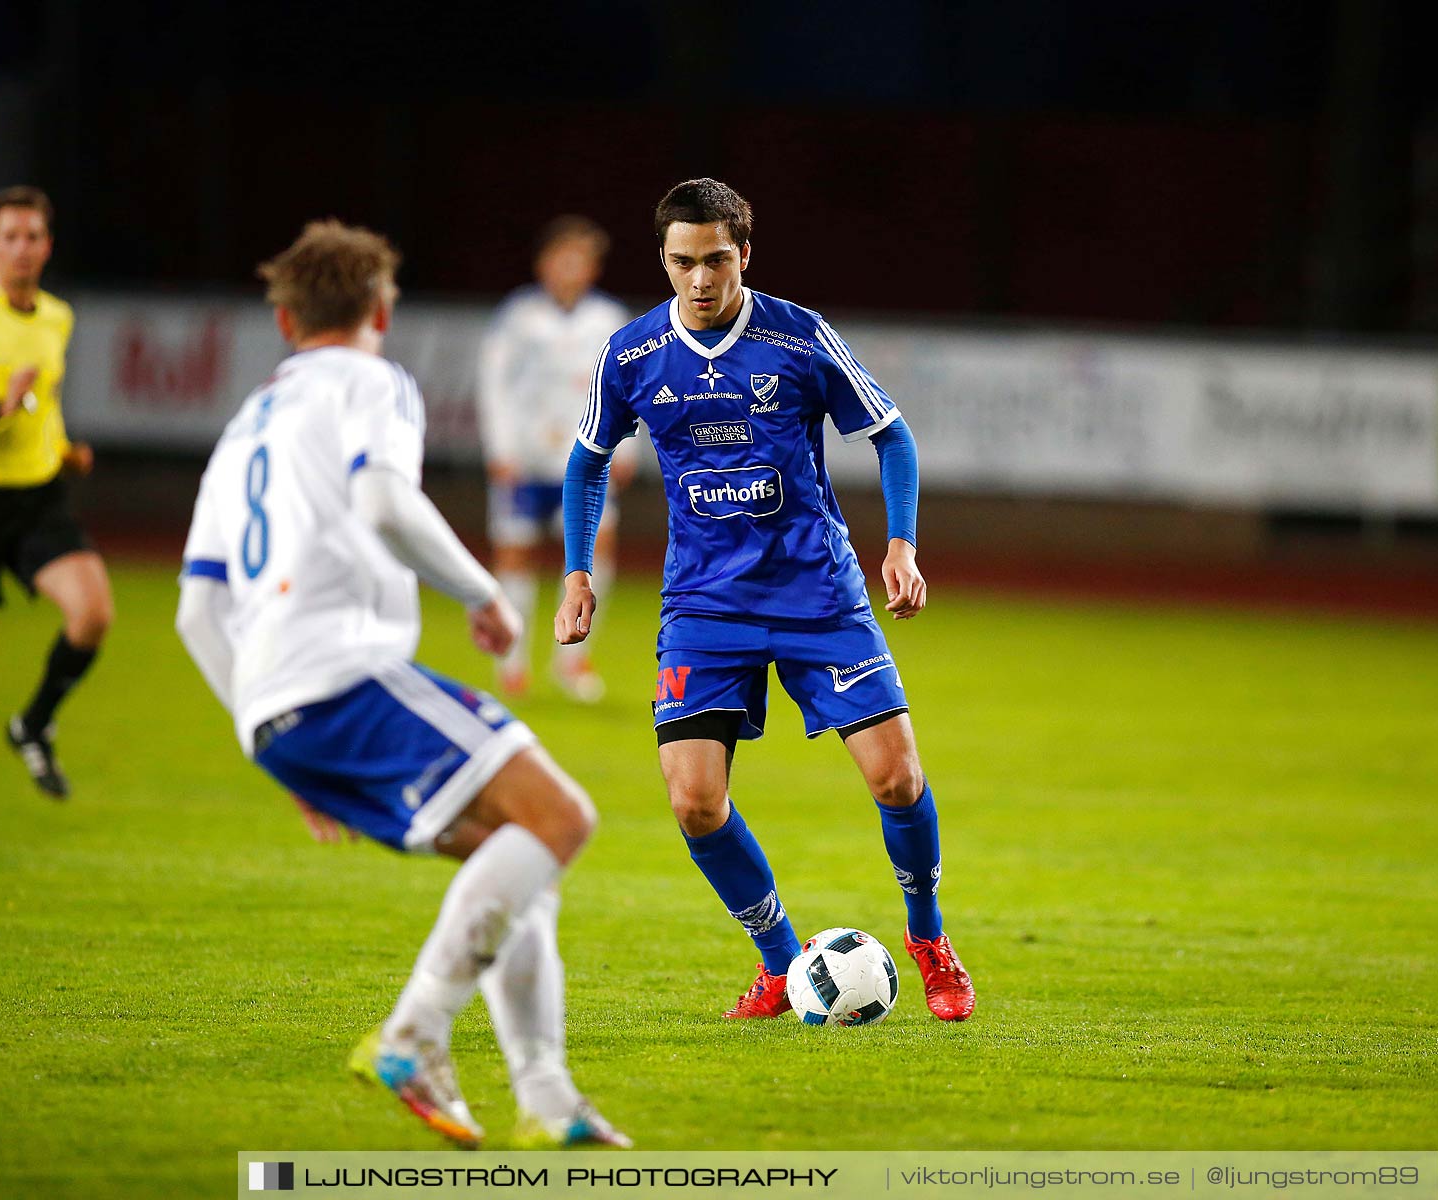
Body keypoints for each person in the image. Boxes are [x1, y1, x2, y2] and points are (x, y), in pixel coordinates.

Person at [174, 219, 627, 1149]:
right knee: (561, 817)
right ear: (382, 307)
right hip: (342, 671)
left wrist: (272, 745)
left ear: (284, 314)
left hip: (273, 706)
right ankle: (414, 1033)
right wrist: (483, 592)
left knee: (512, 856)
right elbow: (385, 501)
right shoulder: (371, 381)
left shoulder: (244, 423)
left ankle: (546, 1102)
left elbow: (195, 611)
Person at [557, 179, 975, 1022]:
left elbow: (891, 435)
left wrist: (901, 544)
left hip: (817, 592)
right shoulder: (632, 355)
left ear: (744, 253)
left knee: (897, 780)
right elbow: (586, 460)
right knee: (693, 800)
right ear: (664, 261)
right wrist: (576, 573)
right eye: (683, 262)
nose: (700, 280)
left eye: (716, 259)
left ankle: (929, 941)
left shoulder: (798, 336)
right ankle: (783, 962)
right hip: (704, 608)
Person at [0, 185, 112, 803]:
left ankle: (32, 725)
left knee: (92, 614)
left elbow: (46, 403)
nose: (21, 248)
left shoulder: (57, 317)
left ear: (47, 245)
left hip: (37, 496)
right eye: (9, 236)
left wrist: (62, 449)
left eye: (32, 237)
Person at [477, 217, 633, 702]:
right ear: (544, 264)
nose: (570, 269)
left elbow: (625, 389)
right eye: (563, 258)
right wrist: (500, 448)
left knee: (595, 555)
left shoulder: (607, 319)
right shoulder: (518, 317)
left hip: (584, 459)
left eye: (580, 260)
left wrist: (626, 447)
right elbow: (493, 384)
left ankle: (573, 660)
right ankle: (513, 663)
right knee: (516, 556)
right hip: (525, 458)